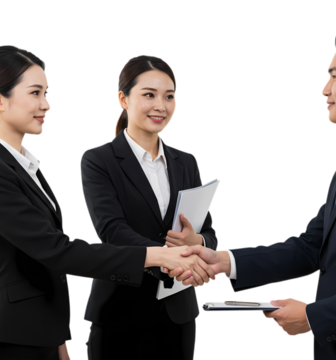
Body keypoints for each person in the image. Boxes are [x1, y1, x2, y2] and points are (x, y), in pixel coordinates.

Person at [169, 26, 336, 360]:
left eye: (334, 77)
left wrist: (312, 317)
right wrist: (222, 260)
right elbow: (310, 249)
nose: (324, 90)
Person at [0, 45, 215, 360]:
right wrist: (161, 256)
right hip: (7, 339)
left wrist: (58, 340)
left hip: (36, 334)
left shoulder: (21, 164)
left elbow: (37, 261)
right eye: (35, 93)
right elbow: (57, 251)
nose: (46, 104)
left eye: (46, 92)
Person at [79, 54, 217, 360]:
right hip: (120, 310)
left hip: (178, 312)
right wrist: (170, 259)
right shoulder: (98, 161)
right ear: (122, 99)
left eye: (169, 96)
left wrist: (199, 242)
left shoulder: (185, 162)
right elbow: (112, 230)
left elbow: (206, 230)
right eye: (149, 95)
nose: (161, 106)